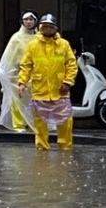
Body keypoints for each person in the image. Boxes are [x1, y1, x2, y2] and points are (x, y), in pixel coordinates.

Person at [16, 13, 80, 150]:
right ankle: (42, 147)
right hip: (40, 90)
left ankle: (65, 146)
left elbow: (71, 65)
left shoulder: (63, 45)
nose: (48, 30)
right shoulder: (33, 46)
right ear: (40, 28)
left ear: (55, 28)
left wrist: (68, 82)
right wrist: (22, 83)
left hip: (60, 90)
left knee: (65, 122)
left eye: (51, 27)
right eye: (45, 27)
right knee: (39, 123)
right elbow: (26, 66)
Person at [0, 11, 39, 130]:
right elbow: (10, 58)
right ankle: (19, 124)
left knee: (33, 100)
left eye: (31, 19)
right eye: (26, 19)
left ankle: (33, 123)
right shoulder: (16, 39)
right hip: (18, 74)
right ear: (22, 21)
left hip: (35, 74)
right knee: (17, 100)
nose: (29, 22)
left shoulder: (38, 38)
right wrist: (11, 74)